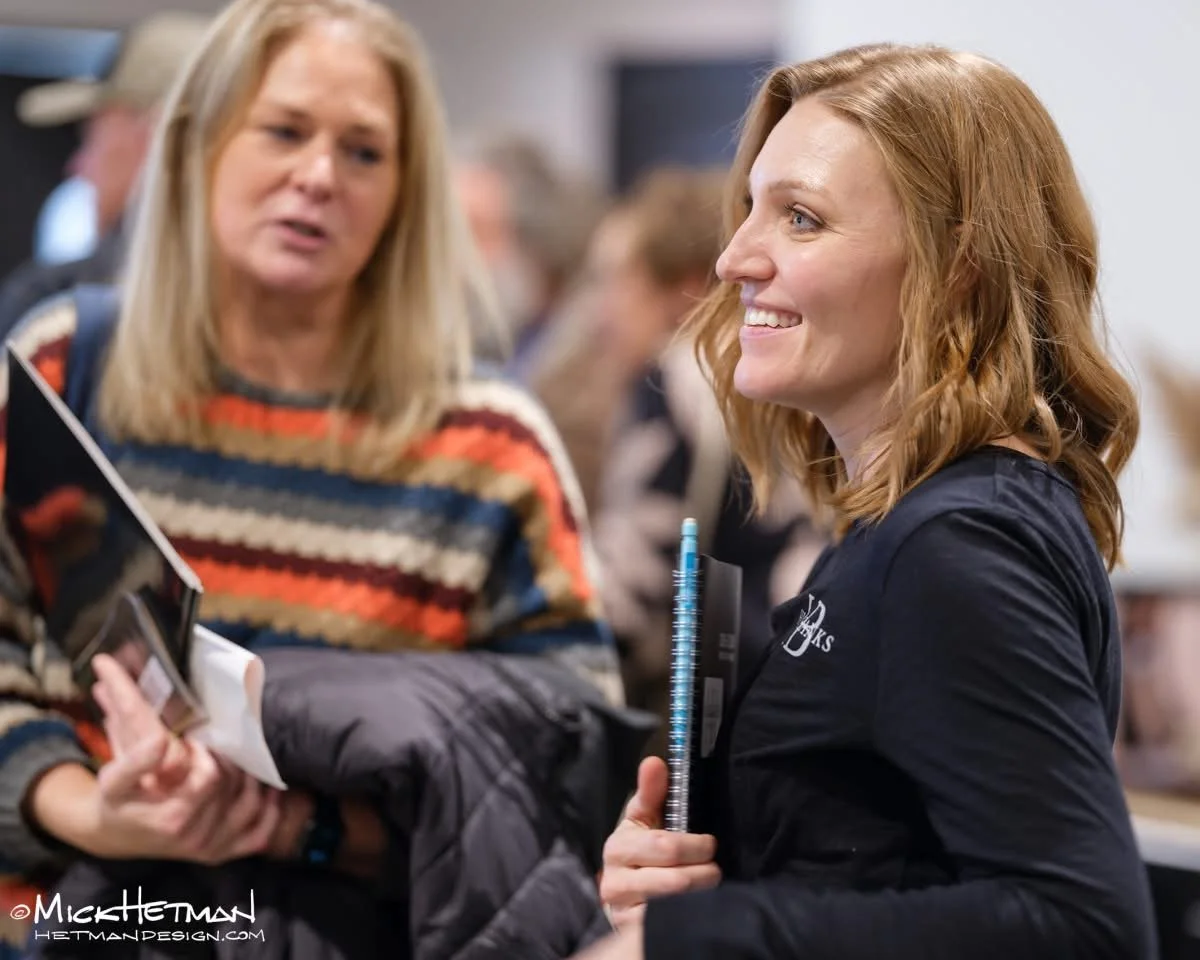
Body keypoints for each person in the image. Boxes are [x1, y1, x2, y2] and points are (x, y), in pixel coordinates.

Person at [0, 0, 623, 956]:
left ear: (405, 194)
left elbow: (561, 779)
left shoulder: (491, 446)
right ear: (201, 144)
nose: (320, 177)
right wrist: (89, 810)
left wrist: (299, 827)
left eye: (365, 152)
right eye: (284, 130)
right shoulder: (61, 373)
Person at [576, 42, 1157, 959]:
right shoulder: (925, 523)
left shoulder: (958, 544)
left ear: (956, 263)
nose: (733, 259)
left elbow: (1083, 927)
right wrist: (696, 882)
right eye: (749, 213)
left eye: (800, 219)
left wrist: (700, 940)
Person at [548, 167, 822, 754]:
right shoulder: (779, 381)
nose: (602, 313)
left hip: (711, 717)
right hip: (786, 688)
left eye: (619, 281)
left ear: (679, 291)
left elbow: (631, 594)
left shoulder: (671, 386)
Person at [0, 11, 211, 338]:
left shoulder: (55, 307)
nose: (79, 166)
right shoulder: (273, 306)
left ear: (158, 134)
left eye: (92, 136)